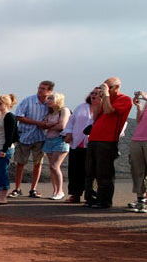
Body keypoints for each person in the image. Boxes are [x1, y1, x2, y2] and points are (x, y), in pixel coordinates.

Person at [85, 77, 133, 209]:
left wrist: (106, 95)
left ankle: (104, 201)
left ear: (116, 87)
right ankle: (92, 198)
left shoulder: (124, 99)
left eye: (108, 87)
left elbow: (108, 111)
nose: (104, 90)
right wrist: (96, 101)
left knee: (104, 172)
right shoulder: (106, 99)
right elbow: (95, 117)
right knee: (90, 171)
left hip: (107, 140)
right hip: (94, 138)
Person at [10, 80, 53, 198]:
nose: (40, 90)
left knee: (38, 163)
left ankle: (33, 189)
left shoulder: (51, 103)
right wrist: (37, 123)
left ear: (49, 91)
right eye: (39, 88)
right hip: (25, 136)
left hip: (40, 137)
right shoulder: (28, 100)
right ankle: (17, 188)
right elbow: (19, 116)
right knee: (20, 163)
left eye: (43, 89)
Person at [62, 90, 96, 203]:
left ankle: (90, 195)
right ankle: (75, 195)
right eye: (93, 93)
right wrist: (68, 133)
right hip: (77, 142)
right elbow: (71, 121)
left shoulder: (103, 108)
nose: (94, 95)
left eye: (97, 93)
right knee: (75, 170)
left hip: (92, 144)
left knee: (90, 171)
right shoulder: (81, 107)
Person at [39, 93, 70, 200]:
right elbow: (43, 125)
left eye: (51, 98)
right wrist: (50, 125)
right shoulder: (50, 113)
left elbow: (62, 126)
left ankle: (60, 191)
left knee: (55, 166)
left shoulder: (64, 110)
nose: (48, 100)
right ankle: (55, 191)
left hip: (60, 140)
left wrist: (49, 126)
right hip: (49, 140)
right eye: (48, 98)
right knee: (51, 167)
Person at [129, 90, 147, 213]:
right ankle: (141, 200)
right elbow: (139, 120)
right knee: (137, 170)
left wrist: (145, 98)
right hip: (137, 138)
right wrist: (139, 106)